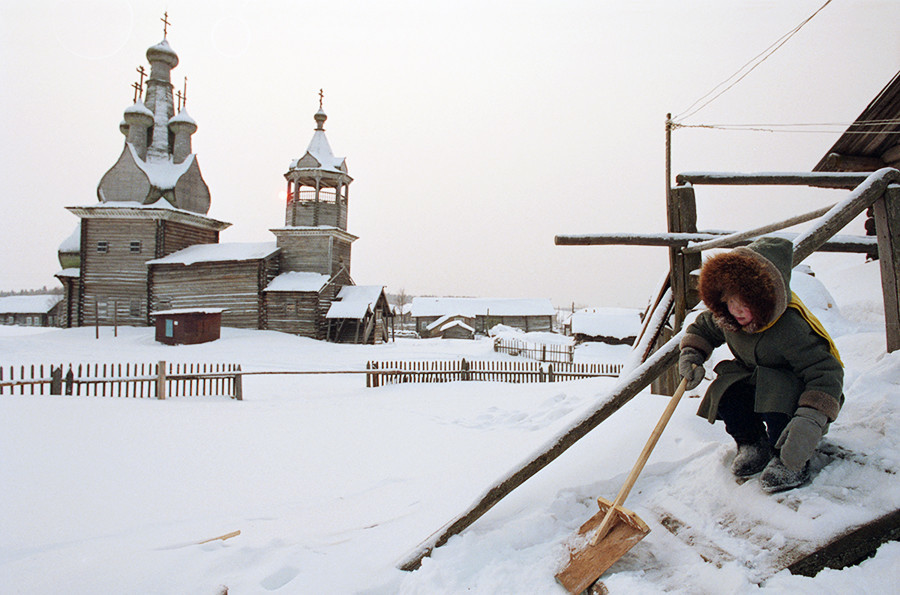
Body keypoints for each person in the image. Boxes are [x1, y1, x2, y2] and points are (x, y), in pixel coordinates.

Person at [677, 236, 844, 493]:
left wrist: (811, 420)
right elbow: (704, 327)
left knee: (775, 388)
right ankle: (753, 444)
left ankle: (790, 459)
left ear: (763, 297)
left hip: (797, 398)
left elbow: (825, 372)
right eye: (730, 300)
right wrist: (691, 353)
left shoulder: (792, 327)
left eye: (744, 302)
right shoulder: (728, 317)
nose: (736, 310)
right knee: (728, 389)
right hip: (760, 382)